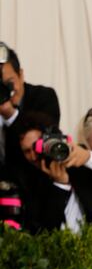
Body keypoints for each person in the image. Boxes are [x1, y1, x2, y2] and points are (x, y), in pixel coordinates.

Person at [15, 113, 92, 232]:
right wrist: (60, 185)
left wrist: (88, 157)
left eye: (36, 147)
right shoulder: (29, 182)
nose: (33, 156)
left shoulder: (81, 166)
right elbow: (43, 231)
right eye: (27, 151)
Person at [0, 43, 60, 186]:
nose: (5, 91)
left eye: (9, 83)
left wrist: (10, 114)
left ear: (21, 75)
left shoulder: (44, 97)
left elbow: (40, 146)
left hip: (35, 187)